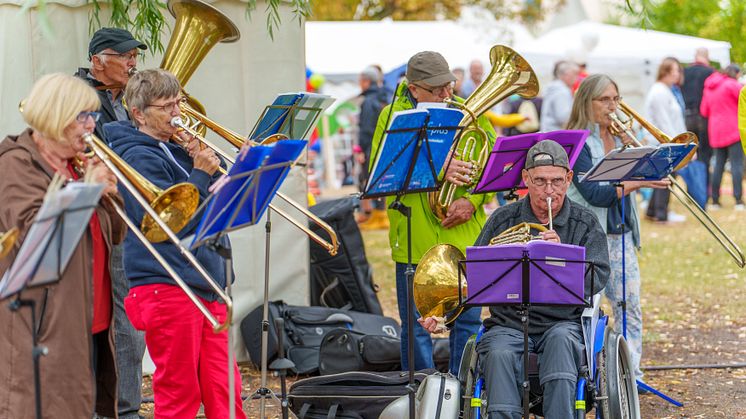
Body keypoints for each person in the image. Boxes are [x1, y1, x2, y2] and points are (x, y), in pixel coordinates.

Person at [420, 140, 610, 418]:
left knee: (561, 345)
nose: (549, 190)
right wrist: (442, 316)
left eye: (557, 181)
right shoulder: (502, 219)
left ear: (569, 179)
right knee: (497, 353)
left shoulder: (585, 222)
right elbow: (474, 277)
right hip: (508, 322)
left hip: (562, 322)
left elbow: (599, 274)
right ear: (525, 179)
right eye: (540, 181)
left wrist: (562, 260)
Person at [104, 69, 246, 419]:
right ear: (138, 113)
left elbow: (219, 200)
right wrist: (199, 172)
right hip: (167, 282)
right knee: (180, 392)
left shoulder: (176, 148)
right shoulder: (135, 155)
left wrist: (217, 165)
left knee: (224, 388)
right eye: (167, 106)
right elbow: (166, 220)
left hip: (205, 280)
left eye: (178, 102)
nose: (177, 113)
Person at [0, 73, 125, 418]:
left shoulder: (77, 166)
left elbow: (115, 234)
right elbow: (32, 236)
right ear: (56, 115)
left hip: (91, 320)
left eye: (92, 117)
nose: (91, 126)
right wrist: (88, 191)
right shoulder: (15, 164)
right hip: (42, 325)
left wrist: (110, 197)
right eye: (82, 117)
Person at [370, 51, 496, 374]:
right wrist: (439, 168)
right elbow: (382, 175)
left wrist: (473, 202)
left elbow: (491, 165)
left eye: (449, 85)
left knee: (467, 322)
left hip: (465, 236)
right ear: (414, 89)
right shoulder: (392, 117)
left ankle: (461, 394)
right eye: (437, 89)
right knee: (415, 329)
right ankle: (423, 395)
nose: (447, 94)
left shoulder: (469, 111)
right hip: (416, 240)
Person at [566, 74, 671, 383]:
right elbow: (595, 193)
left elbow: (620, 184)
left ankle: (629, 375)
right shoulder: (577, 141)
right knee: (589, 308)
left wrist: (633, 152)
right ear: (587, 101)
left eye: (616, 98)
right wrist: (640, 181)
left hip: (621, 231)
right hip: (590, 237)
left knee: (630, 307)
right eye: (605, 100)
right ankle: (586, 377)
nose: (613, 106)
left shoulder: (622, 135)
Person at [75, 27, 148, 419]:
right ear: (98, 60)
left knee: (130, 313)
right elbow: (104, 153)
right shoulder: (80, 98)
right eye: (124, 55)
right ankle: (122, 406)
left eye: (135, 54)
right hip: (107, 217)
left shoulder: (129, 98)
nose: (133, 61)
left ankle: (125, 403)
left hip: (132, 214)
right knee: (123, 314)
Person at [643, 57, 687, 223]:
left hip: (667, 142)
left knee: (663, 177)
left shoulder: (665, 90)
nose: (678, 74)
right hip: (664, 143)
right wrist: (678, 144)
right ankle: (661, 213)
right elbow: (664, 121)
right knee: (666, 179)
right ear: (666, 71)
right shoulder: (660, 91)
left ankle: (653, 210)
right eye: (676, 70)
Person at [700, 64, 744, 210]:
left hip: (716, 130)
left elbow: (704, 111)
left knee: (718, 165)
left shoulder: (709, 87)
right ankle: (738, 200)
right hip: (733, 129)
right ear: (736, 73)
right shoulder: (732, 85)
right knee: (736, 165)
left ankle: (715, 201)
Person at [356, 65, 390, 229]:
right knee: (382, 179)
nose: (359, 84)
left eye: (361, 80)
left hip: (371, 146)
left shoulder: (369, 101)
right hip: (385, 145)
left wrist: (361, 149)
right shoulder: (385, 97)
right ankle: (381, 215)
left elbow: (367, 128)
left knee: (369, 179)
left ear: (366, 81)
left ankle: (378, 216)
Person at [682, 48, 715, 192]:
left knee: (689, 155)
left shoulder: (684, 72)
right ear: (707, 57)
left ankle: (692, 190)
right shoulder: (711, 72)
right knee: (705, 155)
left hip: (686, 117)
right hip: (704, 118)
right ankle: (703, 190)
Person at [540, 61, 580, 132]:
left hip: (548, 130)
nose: (576, 78)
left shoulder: (554, 87)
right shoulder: (562, 91)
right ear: (565, 75)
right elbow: (563, 117)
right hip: (556, 133)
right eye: (574, 74)